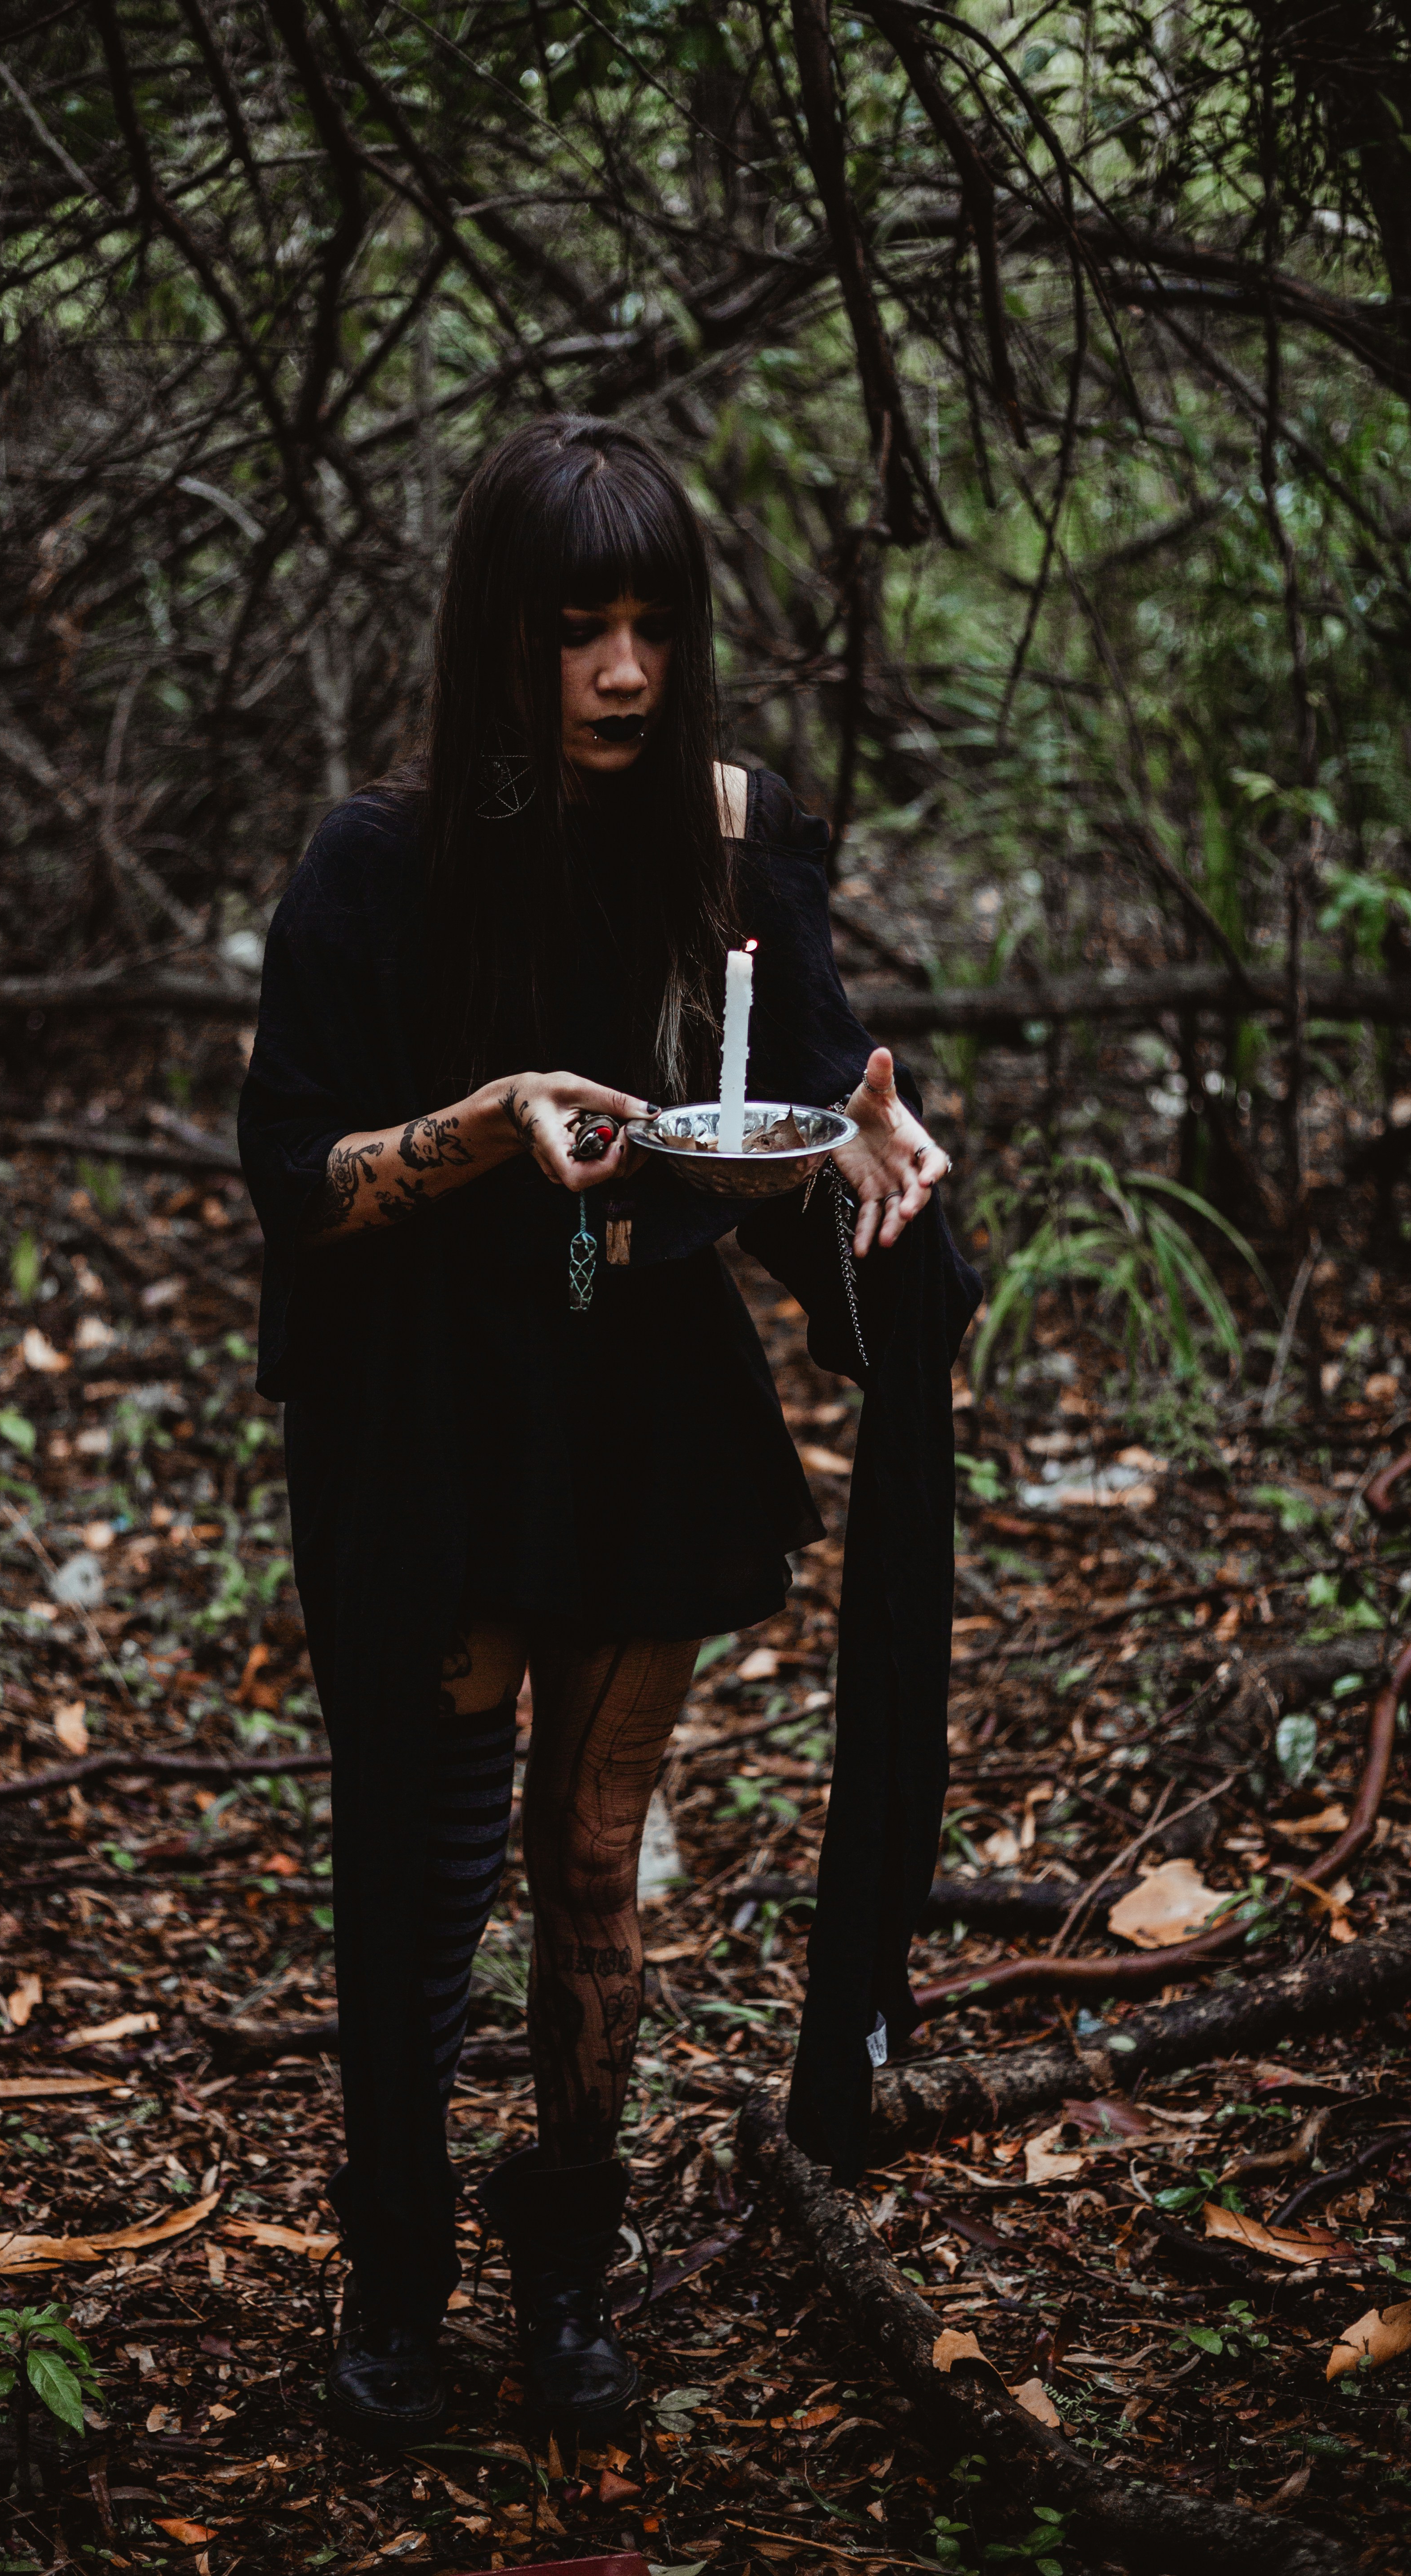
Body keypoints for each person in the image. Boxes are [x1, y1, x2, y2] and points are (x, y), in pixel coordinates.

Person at [238, 415, 980, 2449]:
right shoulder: (374, 866)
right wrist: (488, 1124)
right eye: (580, 631)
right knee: (425, 1875)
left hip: (644, 1411)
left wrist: (875, 1156)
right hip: (440, 1423)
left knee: (590, 1860)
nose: (626, 673)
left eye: (655, 626)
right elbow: (295, 1179)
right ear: (503, 632)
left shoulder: (730, 841)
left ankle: (568, 2277)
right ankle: (399, 2282)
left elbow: (805, 1101)